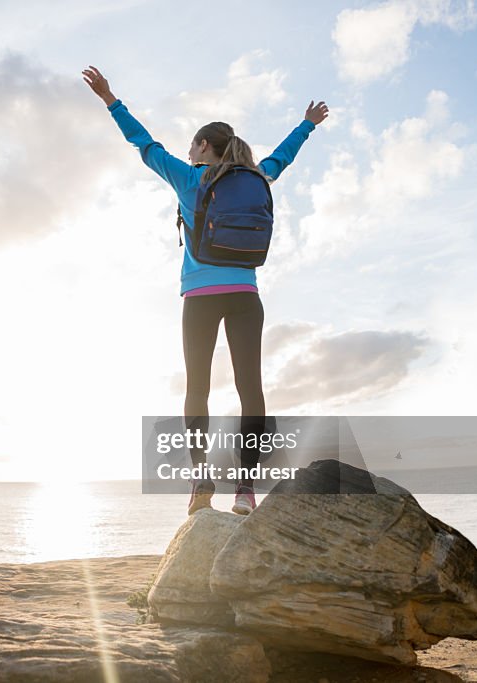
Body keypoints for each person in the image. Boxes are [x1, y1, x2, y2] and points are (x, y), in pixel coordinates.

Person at [82, 65, 328, 516]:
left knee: (197, 389)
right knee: (250, 389)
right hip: (244, 294)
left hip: (198, 298)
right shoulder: (256, 175)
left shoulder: (189, 178)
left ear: (202, 147)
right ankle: (245, 490)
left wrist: (110, 99)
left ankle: (201, 481)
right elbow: (283, 157)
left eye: (193, 143)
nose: (187, 149)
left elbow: (144, 143)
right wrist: (307, 125)